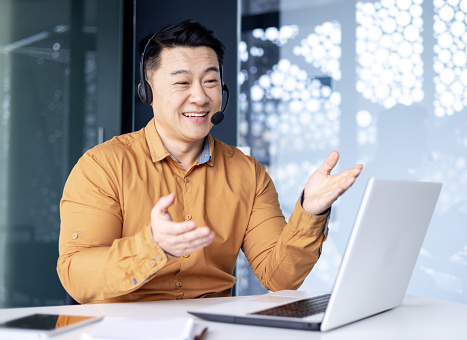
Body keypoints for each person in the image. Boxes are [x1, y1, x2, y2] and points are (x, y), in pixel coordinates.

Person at [57, 20, 363, 304]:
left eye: (210, 81)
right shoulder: (103, 166)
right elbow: (76, 275)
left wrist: (310, 210)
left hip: (210, 329)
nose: (201, 97)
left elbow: (279, 277)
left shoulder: (248, 173)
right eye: (182, 83)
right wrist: (152, 247)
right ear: (147, 92)